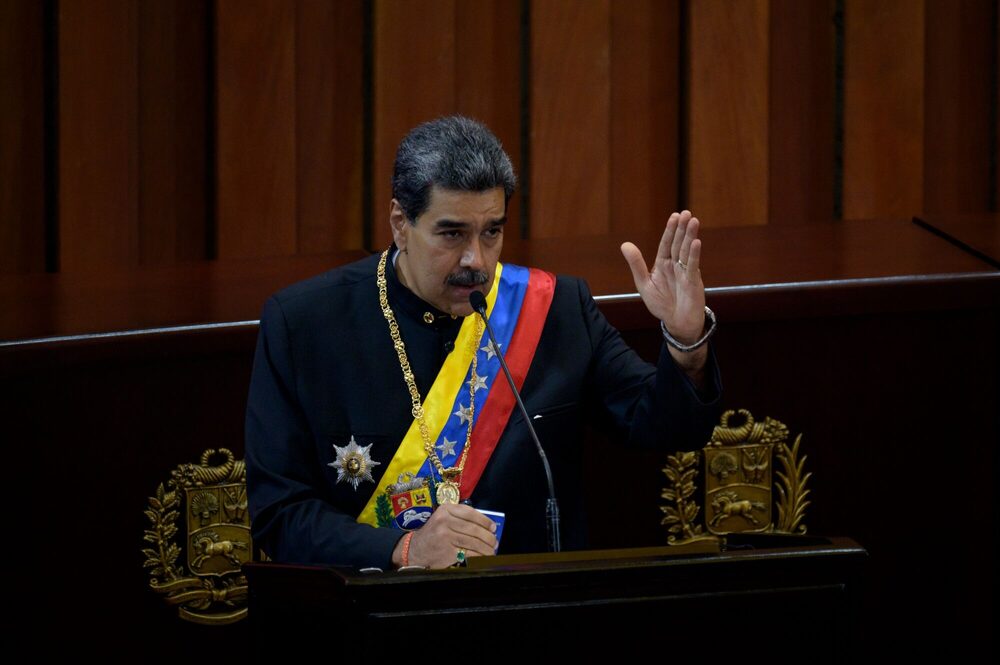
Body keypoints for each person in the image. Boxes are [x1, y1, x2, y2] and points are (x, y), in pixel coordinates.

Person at [245, 116, 721, 570]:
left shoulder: (554, 310)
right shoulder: (304, 325)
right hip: (372, 621)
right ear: (399, 222)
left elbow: (665, 428)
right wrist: (403, 547)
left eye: (492, 231)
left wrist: (685, 340)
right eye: (452, 233)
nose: (476, 259)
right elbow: (278, 514)